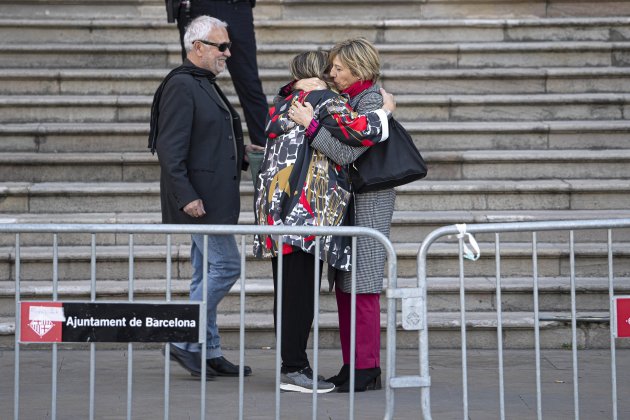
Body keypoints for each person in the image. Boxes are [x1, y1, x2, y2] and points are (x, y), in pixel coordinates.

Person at [253, 50, 395, 393]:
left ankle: (293, 363)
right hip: (306, 211)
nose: (334, 74)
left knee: (286, 290)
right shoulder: (324, 101)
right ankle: (295, 368)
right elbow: (361, 133)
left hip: (276, 209)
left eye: (339, 68)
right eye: (330, 68)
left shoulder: (282, 101)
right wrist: (385, 111)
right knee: (300, 292)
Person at [149, 15, 264, 379]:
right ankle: (184, 340)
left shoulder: (204, 83)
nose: (228, 53)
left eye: (229, 46)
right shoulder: (183, 85)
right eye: (222, 46)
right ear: (197, 47)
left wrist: (241, 151)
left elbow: (204, 138)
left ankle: (208, 348)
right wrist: (186, 197)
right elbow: (170, 148)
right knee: (227, 266)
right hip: (200, 202)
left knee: (202, 276)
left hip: (211, 198)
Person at [172, 0, 268, 148]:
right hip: (195, 6)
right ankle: (193, 151)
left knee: (249, 83)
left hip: (236, 6)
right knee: (194, 83)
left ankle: (269, 155)